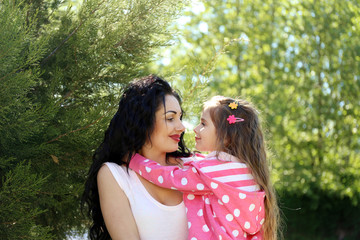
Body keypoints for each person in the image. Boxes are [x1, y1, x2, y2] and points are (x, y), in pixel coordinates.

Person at [129, 96, 280, 240]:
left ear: (226, 136)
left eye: (203, 123)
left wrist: (135, 160)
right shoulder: (246, 171)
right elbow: (202, 163)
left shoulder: (212, 171)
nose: (195, 128)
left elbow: (170, 177)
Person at [82, 75, 191, 240]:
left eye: (180, 117)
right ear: (143, 120)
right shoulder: (115, 175)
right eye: (170, 118)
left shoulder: (192, 167)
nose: (181, 127)